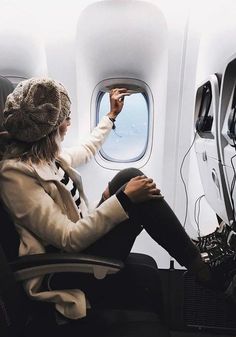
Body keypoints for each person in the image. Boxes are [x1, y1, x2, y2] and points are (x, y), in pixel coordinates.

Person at [0, 77, 210, 321]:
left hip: (74, 249)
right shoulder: (14, 175)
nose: (69, 123)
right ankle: (203, 270)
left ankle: (198, 261)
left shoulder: (47, 157)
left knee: (127, 177)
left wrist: (111, 116)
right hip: (61, 270)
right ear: (48, 128)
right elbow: (67, 239)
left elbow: (88, 148)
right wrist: (123, 201)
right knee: (133, 188)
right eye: (65, 118)